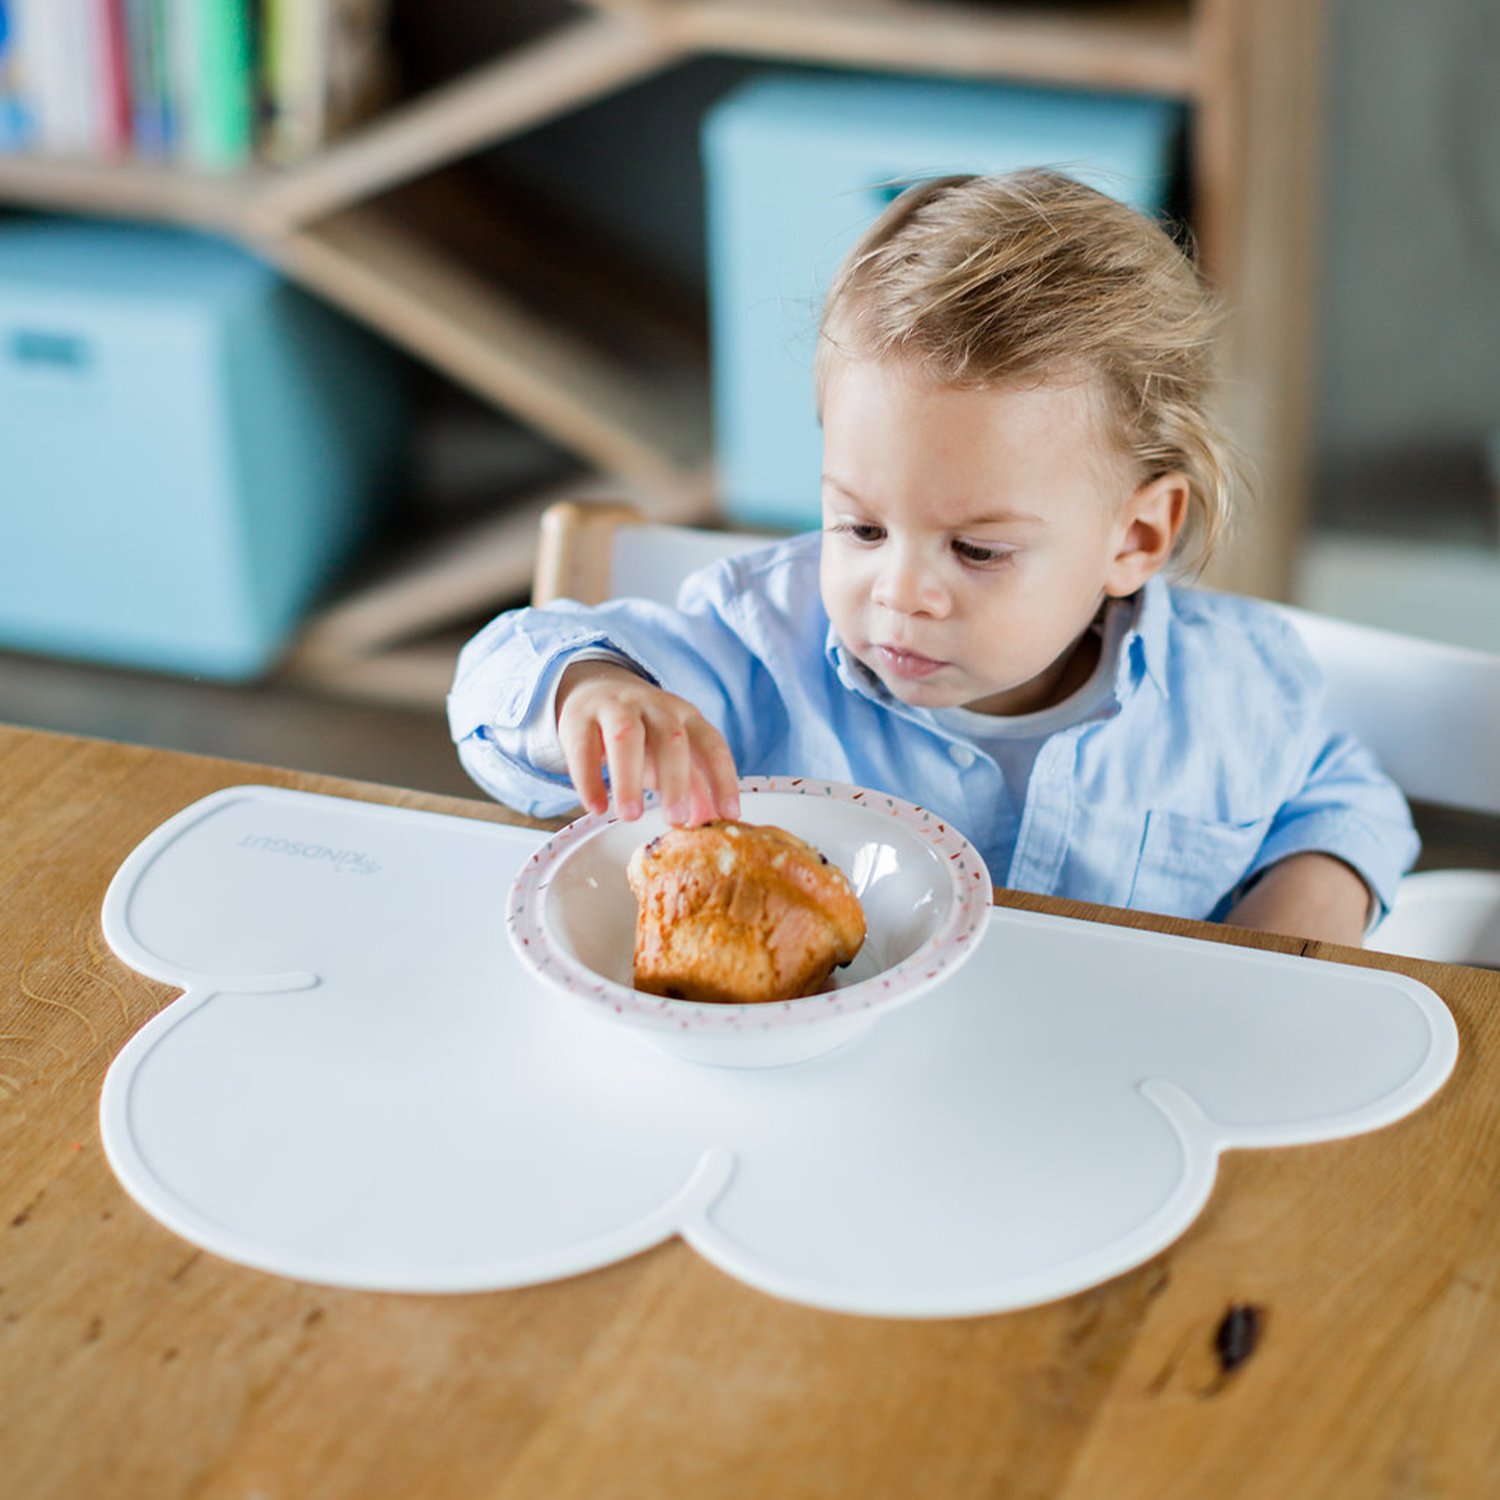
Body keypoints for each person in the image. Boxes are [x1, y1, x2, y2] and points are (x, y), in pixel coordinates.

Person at [447, 170, 1417, 946]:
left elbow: (1343, 796)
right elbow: (504, 683)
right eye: (862, 529)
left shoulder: (1235, 688)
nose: (900, 593)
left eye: (978, 549)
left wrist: (1312, 900)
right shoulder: (758, 644)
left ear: (1136, 538)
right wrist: (588, 692)